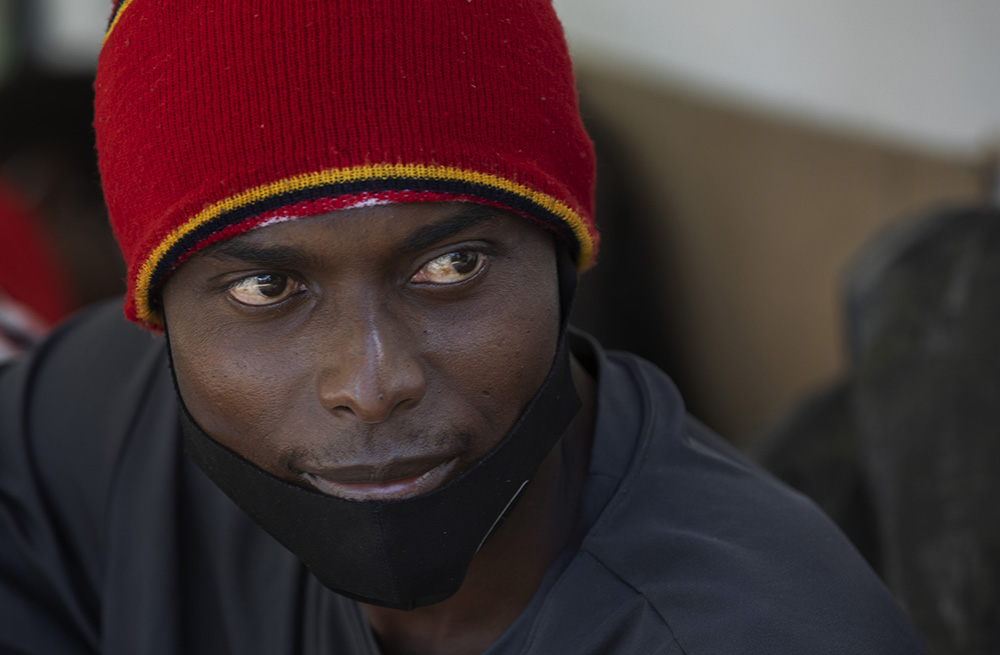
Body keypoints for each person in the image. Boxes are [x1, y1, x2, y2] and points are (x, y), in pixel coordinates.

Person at [0, 1, 925, 653]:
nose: (370, 381)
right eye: (266, 288)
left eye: (453, 266)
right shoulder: (96, 434)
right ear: (162, 319)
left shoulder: (762, 633)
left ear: (566, 262)